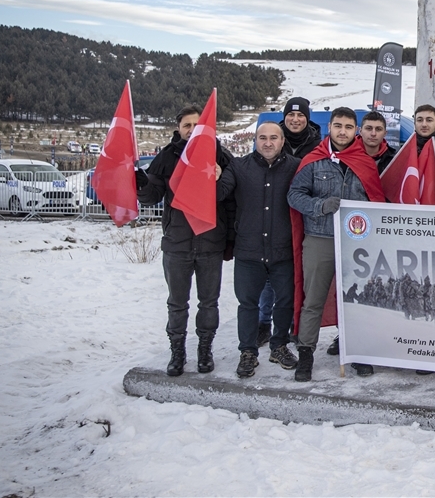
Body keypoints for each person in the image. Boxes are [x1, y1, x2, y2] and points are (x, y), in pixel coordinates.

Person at [287, 107, 386, 382]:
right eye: (338, 126)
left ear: (356, 130)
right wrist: (319, 206)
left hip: (355, 243)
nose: (343, 131)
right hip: (320, 238)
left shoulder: (364, 161)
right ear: (329, 127)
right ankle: (306, 352)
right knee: (314, 299)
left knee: (355, 300)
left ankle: (357, 352)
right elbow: (294, 195)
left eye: (348, 127)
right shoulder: (313, 161)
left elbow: (375, 201)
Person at [136, 105, 234, 377]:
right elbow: (152, 195)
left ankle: (205, 349)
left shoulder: (222, 156)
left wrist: (230, 240)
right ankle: (177, 352)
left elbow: (232, 198)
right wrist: (139, 183)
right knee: (177, 303)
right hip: (177, 242)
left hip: (210, 243)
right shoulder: (167, 157)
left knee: (209, 302)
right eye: (186, 125)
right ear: (178, 128)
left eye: (196, 124)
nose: (191, 130)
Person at [220, 122, 299, 378]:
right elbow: (218, 193)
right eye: (262, 138)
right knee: (247, 304)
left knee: (284, 301)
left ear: (282, 140)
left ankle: (279, 346)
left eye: (273, 138)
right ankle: (248, 352)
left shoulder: (296, 167)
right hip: (249, 251)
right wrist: (207, 174)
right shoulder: (239, 168)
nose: (267, 142)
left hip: (282, 250)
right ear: (255, 140)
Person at [258, 97, 324, 347]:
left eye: (300, 116)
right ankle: (264, 323)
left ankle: (295, 324)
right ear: (284, 118)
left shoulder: (317, 145)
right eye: (290, 116)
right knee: (268, 278)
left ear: (307, 119)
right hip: (274, 217)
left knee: (299, 275)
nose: (295, 120)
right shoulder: (272, 141)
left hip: (305, 218)